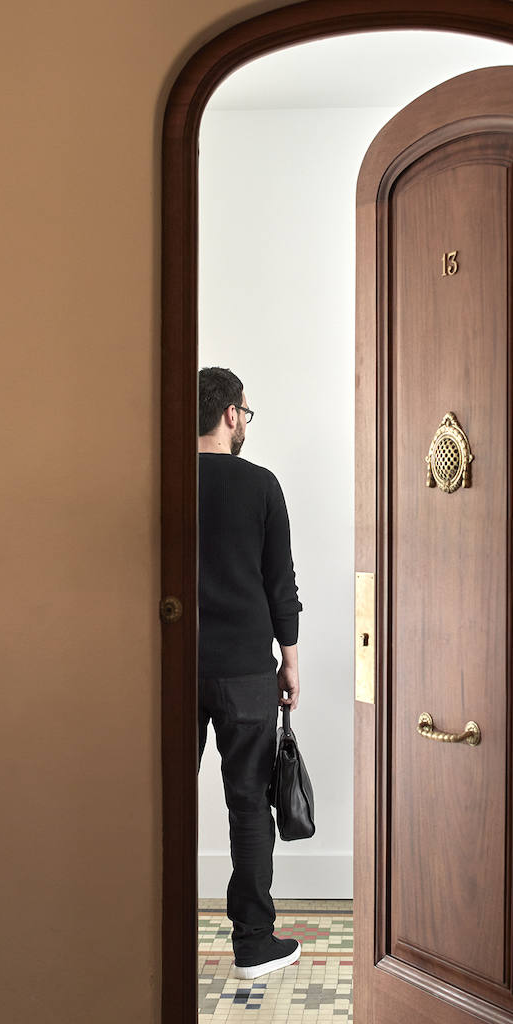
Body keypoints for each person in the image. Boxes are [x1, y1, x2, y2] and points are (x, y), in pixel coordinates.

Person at [197, 365, 303, 980]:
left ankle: (154, 938)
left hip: (173, 667)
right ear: (232, 413)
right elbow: (279, 584)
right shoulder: (261, 486)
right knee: (248, 806)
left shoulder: (165, 481)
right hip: (246, 672)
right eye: (247, 413)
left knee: (162, 806)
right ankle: (254, 943)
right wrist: (289, 659)